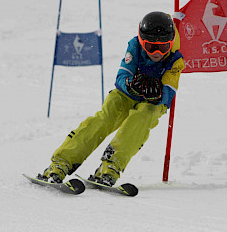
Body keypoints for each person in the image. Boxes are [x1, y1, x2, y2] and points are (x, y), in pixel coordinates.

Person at [38, 11, 185, 186]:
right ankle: (61, 163)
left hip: (153, 103)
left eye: (163, 47)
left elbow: (169, 90)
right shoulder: (135, 47)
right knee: (104, 119)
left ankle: (110, 167)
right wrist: (131, 84)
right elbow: (122, 76)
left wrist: (158, 94)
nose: (157, 53)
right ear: (142, 40)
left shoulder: (175, 60)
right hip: (125, 95)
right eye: (151, 46)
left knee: (142, 118)